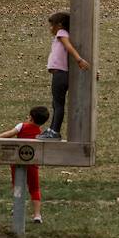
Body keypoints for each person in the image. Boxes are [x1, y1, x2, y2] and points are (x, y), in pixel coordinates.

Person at [36, 11, 90, 141]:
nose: (50, 28)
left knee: (58, 104)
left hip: (60, 74)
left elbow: (69, 47)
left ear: (59, 25)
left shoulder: (61, 33)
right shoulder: (63, 34)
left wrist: (79, 59)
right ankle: (52, 129)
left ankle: (55, 131)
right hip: (59, 73)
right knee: (56, 104)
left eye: (51, 25)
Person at [0, 105, 50, 223]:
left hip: (17, 161)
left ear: (30, 117)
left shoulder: (22, 126)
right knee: (34, 188)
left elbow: (9, 134)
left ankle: (17, 207)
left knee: (17, 185)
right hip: (32, 163)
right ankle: (37, 215)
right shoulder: (41, 133)